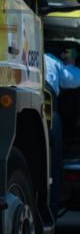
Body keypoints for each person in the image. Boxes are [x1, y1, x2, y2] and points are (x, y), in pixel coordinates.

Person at [45, 46, 80, 213]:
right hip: (48, 117)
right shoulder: (52, 60)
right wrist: (71, 62)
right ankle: (50, 212)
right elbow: (74, 80)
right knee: (53, 166)